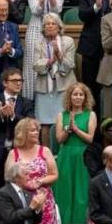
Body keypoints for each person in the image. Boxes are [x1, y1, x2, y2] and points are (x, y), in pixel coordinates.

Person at [4, 118, 60, 224]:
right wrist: (25, 184)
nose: (36, 133)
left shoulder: (44, 151)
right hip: (21, 201)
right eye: (32, 130)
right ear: (22, 133)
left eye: (37, 130)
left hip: (43, 201)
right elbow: (7, 177)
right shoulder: (13, 153)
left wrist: (40, 181)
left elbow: (54, 174)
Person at [54, 82, 97, 224]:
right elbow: (59, 139)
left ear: (85, 97)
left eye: (81, 94)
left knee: (81, 194)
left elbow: (90, 138)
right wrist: (67, 130)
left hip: (83, 157)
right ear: (69, 97)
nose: (77, 97)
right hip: (65, 157)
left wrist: (76, 129)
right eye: (74, 94)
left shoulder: (90, 115)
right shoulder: (61, 115)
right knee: (65, 194)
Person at [0, 68, 35, 195]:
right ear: (5, 83)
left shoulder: (26, 102)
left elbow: (31, 124)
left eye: (20, 80)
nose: (19, 83)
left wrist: (13, 116)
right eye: (15, 80)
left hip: (20, 152)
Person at [24, 0, 65, 100]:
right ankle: (32, 101)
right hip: (36, 28)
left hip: (53, 29)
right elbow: (35, 10)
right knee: (34, 65)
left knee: (53, 62)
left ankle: (51, 101)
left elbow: (57, 9)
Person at [77, 0, 112, 107]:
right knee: (89, 84)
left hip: (111, 46)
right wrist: (96, 6)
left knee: (107, 85)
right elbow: (82, 16)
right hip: (91, 45)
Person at [33, 13, 76, 146]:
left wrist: (59, 56)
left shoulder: (68, 41)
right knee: (45, 123)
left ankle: (62, 153)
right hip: (44, 87)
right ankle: (46, 154)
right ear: (43, 28)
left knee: (64, 122)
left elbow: (70, 64)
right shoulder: (38, 43)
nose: (50, 26)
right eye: (47, 24)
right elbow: (35, 65)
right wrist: (51, 60)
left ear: (59, 27)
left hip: (64, 87)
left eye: (53, 23)